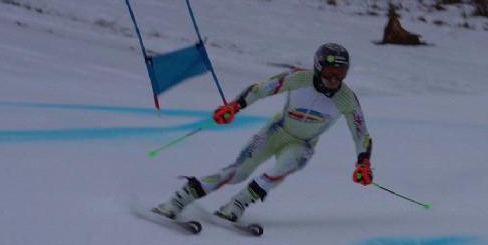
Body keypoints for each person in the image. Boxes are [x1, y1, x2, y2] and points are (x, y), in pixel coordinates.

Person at [153, 43, 373, 222]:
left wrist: (363, 162)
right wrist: (235, 106)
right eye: (329, 73)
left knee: (284, 166)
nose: (334, 80)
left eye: (340, 74)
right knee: (238, 172)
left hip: (303, 144)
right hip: (276, 131)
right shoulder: (299, 78)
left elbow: (360, 133)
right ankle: (181, 198)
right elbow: (261, 89)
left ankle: (238, 203)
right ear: (317, 67)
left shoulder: (347, 99)